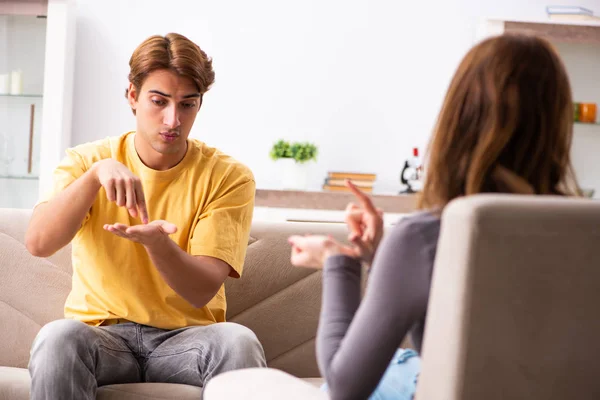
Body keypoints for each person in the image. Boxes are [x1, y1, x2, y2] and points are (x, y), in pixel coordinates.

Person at [287, 33, 580, 400]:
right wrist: (383, 260)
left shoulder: (425, 237)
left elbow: (346, 387)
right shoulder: (587, 232)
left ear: (460, 118)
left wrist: (338, 262)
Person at [25, 32, 266, 399]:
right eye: (159, 101)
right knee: (57, 338)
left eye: (187, 104)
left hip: (187, 340)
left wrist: (158, 245)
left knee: (238, 341)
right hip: (102, 337)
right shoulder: (86, 161)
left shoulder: (228, 176)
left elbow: (201, 291)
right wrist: (94, 177)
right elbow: (38, 243)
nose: (173, 119)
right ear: (133, 97)